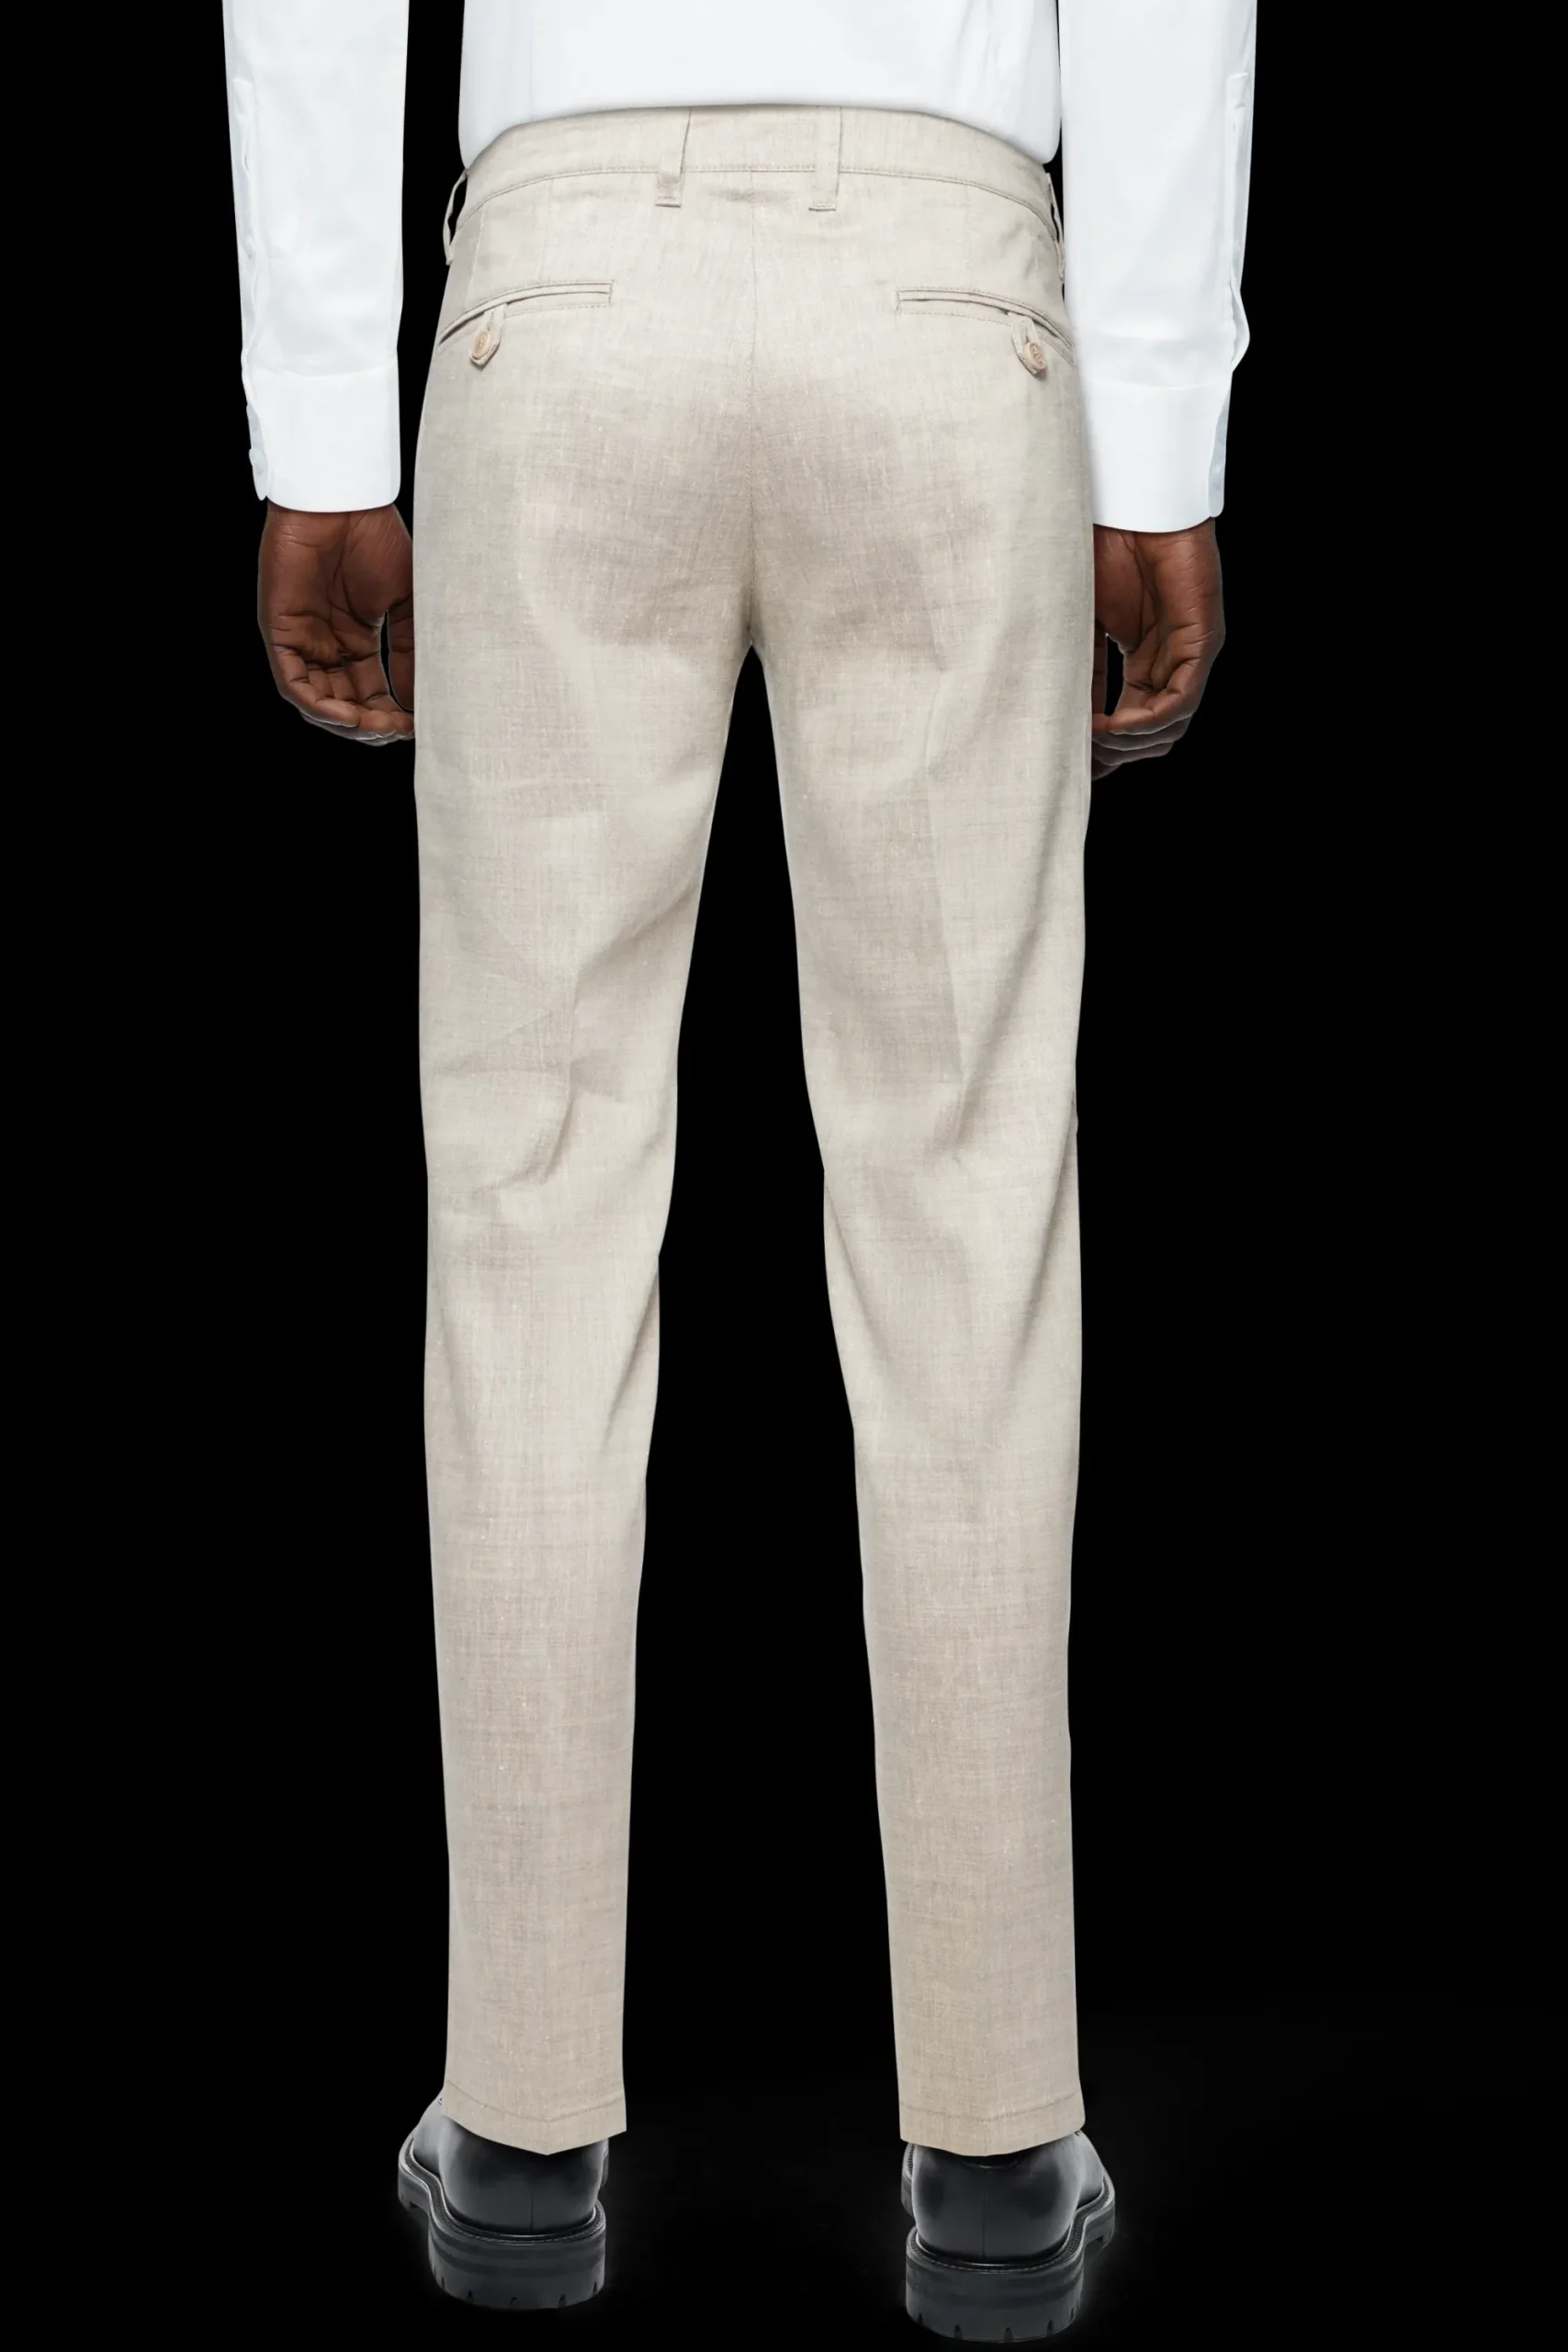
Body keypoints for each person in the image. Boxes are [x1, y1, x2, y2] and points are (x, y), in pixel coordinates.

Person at [222, 3, 1254, 2335]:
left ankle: (517, 2127)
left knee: (529, 1201)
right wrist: (1158, 429)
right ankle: (995, 2143)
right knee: (969, 1200)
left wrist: (319, 411)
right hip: (950, 300)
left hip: (565, 294)